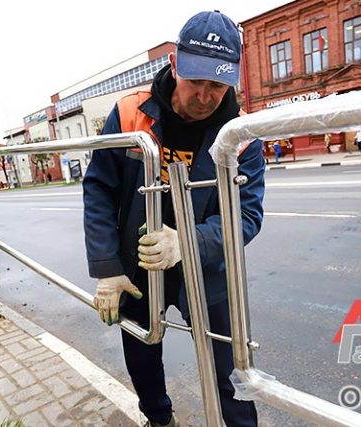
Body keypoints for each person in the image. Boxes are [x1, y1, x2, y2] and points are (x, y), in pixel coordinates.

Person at [83, 10, 264, 427]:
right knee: (143, 350)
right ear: (174, 65)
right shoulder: (131, 112)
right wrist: (107, 269)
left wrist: (187, 242)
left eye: (217, 85)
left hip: (206, 266)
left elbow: (248, 215)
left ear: (232, 81)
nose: (204, 96)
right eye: (195, 81)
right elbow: (99, 189)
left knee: (229, 365)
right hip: (139, 263)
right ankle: (159, 419)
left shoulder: (241, 135)